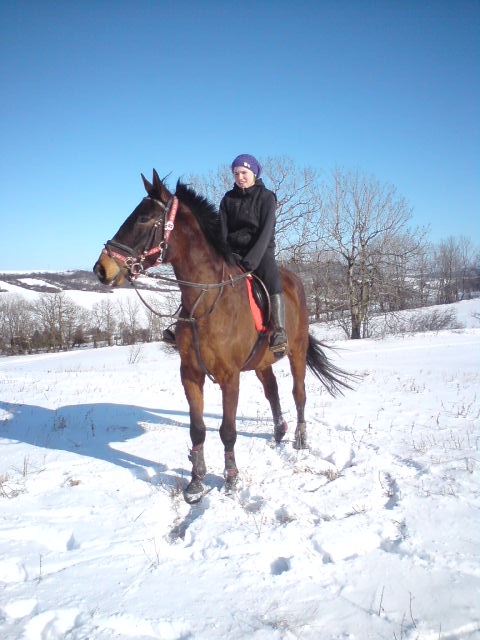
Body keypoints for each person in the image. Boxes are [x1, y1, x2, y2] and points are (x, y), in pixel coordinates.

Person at [219, 153, 287, 356]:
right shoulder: (227, 199)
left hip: (260, 251)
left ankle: (278, 331)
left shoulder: (266, 198)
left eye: (244, 172)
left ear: (254, 173)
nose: (240, 177)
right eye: (236, 173)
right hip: (233, 253)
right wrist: (222, 256)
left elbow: (266, 232)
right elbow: (221, 232)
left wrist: (252, 261)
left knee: (273, 279)